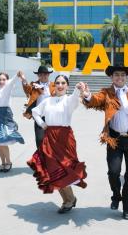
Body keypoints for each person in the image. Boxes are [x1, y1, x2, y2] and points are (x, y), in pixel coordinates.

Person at [81, 65, 128, 220]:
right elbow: (96, 100)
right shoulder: (107, 93)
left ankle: (127, 204)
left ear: (126, 77)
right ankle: (115, 195)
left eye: (122, 75)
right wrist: (87, 95)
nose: (120, 77)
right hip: (114, 139)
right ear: (111, 78)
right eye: (116, 75)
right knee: (114, 171)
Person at [27, 75, 87, 214]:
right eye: (58, 83)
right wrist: (42, 124)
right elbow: (35, 112)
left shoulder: (69, 100)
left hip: (65, 139)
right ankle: (68, 200)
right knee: (54, 172)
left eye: (63, 83)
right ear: (55, 85)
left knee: (65, 170)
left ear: (67, 85)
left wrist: (78, 89)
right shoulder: (47, 101)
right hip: (50, 139)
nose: (60, 85)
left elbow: (74, 98)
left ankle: (69, 200)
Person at [20, 66, 55, 148]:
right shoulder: (34, 85)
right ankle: (40, 158)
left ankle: (50, 158)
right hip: (39, 116)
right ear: (38, 76)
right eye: (40, 75)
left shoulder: (54, 85)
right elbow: (27, 89)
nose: (43, 76)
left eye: (45, 74)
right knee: (40, 139)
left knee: (52, 139)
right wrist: (23, 79)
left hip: (52, 116)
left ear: (48, 75)